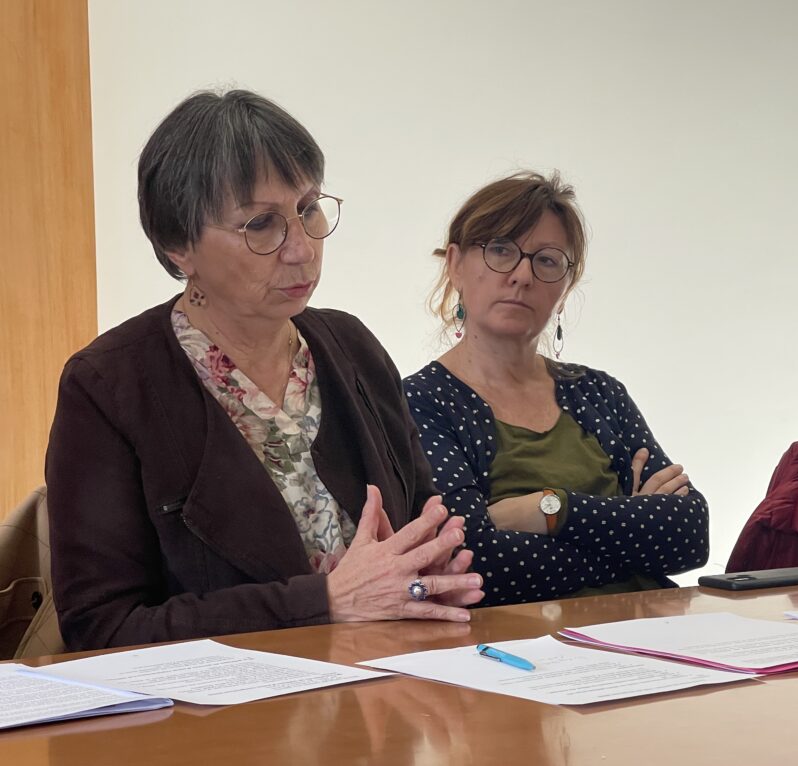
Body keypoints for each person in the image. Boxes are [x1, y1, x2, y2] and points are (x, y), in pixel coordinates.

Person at [46, 89, 483, 651]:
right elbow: (100, 627)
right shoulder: (109, 385)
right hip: (220, 704)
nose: (302, 248)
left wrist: (429, 575)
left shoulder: (351, 346)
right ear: (179, 245)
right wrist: (323, 602)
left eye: (309, 208)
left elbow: (422, 523)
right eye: (260, 224)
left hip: (388, 686)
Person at [403, 172, 709, 606]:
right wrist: (634, 538)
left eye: (547, 261)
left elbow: (690, 534)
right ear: (455, 264)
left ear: (566, 287)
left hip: (654, 630)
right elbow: (473, 560)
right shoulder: (419, 402)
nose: (522, 275)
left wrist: (550, 509)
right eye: (501, 250)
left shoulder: (600, 392)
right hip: (521, 643)